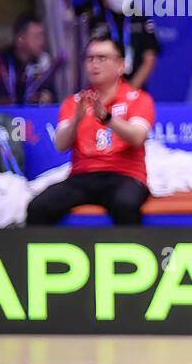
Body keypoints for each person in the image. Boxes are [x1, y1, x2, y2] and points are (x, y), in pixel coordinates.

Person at [26, 31, 154, 226]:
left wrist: (107, 118)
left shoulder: (138, 98)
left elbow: (137, 137)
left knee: (125, 205)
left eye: (102, 58)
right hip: (83, 176)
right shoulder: (74, 102)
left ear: (120, 65)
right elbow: (61, 145)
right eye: (90, 58)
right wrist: (77, 119)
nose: (95, 64)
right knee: (39, 207)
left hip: (125, 175)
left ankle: (129, 255)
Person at [82, 0, 161, 90]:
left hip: (135, 90)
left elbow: (149, 58)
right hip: (101, 91)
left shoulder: (140, 19)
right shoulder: (94, 21)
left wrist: (130, 91)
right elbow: (87, 58)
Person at [0, 14, 59, 105]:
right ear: (20, 39)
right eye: (36, 36)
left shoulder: (44, 63)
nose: (42, 42)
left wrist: (46, 97)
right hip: (3, 117)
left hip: (33, 117)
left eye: (42, 36)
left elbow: (50, 95)